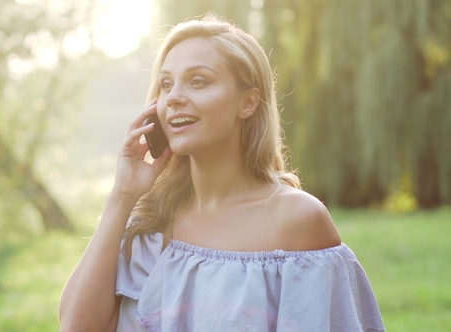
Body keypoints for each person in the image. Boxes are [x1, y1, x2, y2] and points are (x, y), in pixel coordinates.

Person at [59, 16, 385, 332]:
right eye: (166, 84)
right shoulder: (147, 219)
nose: (173, 98)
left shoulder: (297, 221)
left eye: (198, 81)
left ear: (248, 103)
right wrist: (122, 196)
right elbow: (77, 326)